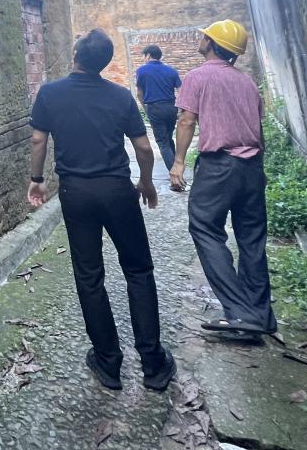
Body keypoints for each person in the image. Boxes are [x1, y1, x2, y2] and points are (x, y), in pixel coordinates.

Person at [28, 29, 176, 391]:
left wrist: (37, 179)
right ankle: (153, 363)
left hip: (76, 193)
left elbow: (38, 138)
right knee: (138, 270)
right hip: (117, 191)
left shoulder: (49, 93)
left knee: (89, 274)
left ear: (76, 54)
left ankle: (108, 362)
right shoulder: (119, 95)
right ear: (104, 62)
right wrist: (145, 182)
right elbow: (143, 148)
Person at [169, 20, 276, 341]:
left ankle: (240, 312)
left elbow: (187, 121)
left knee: (205, 228)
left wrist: (178, 162)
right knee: (252, 238)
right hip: (252, 166)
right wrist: (259, 168)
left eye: (205, 36)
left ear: (211, 43)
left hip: (219, 166)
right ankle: (261, 315)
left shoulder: (198, 76)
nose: (201, 38)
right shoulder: (247, 82)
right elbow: (257, 127)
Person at [135, 44, 182, 174]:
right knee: (168, 138)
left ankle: (175, 174)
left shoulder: (141, 71)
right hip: (171, 108)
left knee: (162, 143)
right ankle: (177, 166)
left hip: (155, 108)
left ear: (148, 55)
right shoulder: (172, 71)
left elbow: (139, 93)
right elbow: (182, 91)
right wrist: (179, 108)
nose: (143, 59)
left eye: (144, 56)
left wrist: (145, 109)